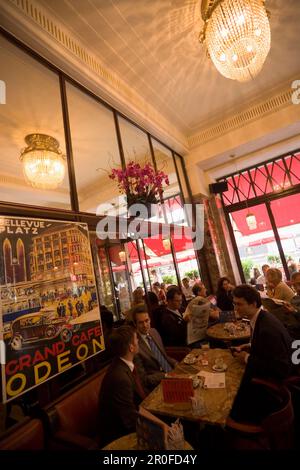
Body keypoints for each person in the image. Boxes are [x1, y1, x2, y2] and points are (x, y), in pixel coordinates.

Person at [230, 285, 293, 423]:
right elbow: (268, 347)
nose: (236, 308)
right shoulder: (262, 316)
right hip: (269, 373)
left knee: (232, 391)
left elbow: (280, 368)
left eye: (239, 304)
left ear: (253, 304)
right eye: (234, 304)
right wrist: (250, 345)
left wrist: (246, 358)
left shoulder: (267, 328)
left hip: (270, 390)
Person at [98, 325, 146, 447]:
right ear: (131, 347)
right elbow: (129, 419)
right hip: (120, 436)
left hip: (136, 416)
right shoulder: (120, 378)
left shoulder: (124, 363)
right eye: (136, 339)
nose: (138, 341)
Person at [132, 304, 176, 393]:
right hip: (158, 384)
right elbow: (144, 380)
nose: (145, 325)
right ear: (135, 324)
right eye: (140, 322)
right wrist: (166, 375)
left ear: (150, 320)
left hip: (172, 374)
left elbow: (164, 357)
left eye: (146, 321)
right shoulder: (135, 346)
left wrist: (176, 364)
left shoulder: (154, 331)